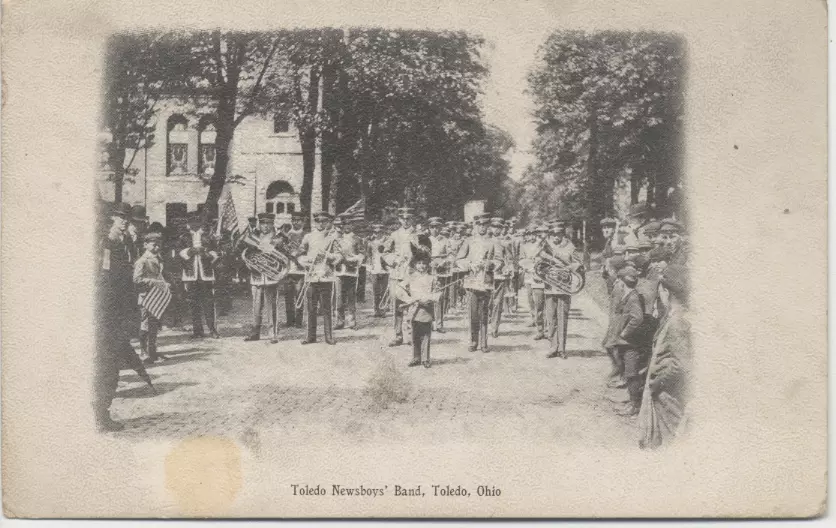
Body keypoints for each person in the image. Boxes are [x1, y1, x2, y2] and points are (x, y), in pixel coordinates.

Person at [639, 264, 691, 449]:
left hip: (666, 395)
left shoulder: (677, 322)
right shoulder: (672, 317)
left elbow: (681, 364)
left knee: (671, 442)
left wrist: (657, 382)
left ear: (666, 292)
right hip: (660, 391)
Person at [95, 202, 135, 431]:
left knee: (113, 362)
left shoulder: (126, 242)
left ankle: (104, 411)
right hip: (105, 310)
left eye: (127, 219)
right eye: (121, 219)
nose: (125, 223)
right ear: (112, 219)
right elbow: (104, 277)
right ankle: (99, 413)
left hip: (120, 309)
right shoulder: (105, 242)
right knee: (104, 363)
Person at [392, 237, 441, 368]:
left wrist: (429, 298)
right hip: (413, 310)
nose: (422, 266)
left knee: (426, 335)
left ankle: (425, 358)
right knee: (414, 334)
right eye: (419, 263)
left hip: (426, 310)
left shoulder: (432, 278)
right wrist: (408, 299)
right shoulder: (410, 277)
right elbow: (399, 289)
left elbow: (438, 293)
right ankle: (416, 357)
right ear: (414, 264)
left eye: (424, 263)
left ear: (428, 264)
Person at [605, 264, 646, 416]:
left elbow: (638, 318)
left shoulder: (633, 297)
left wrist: (625, 333)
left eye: (618, 281)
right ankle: (631, 401)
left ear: (622, 282)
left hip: (630, 342)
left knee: (631, 373)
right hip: (625, 342)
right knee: (628, 371)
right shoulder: (628, 295)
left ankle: (635, 406)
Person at [456, 214, 499, 353]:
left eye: (484, 225)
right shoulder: (468, 241)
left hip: (486, 281)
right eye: (479, 225)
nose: (482, 227)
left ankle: (484, 342)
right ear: (475, 226)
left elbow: (500, 260)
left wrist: (490, 263)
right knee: (473, 313)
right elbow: (459, 259)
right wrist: (469, 265)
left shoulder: (494, 241)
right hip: (472, 281)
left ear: (488, 226)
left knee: (485, 312)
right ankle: (473, 341)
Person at [297, 211, 339, 345]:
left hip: (326, 276)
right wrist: (304, 261)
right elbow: (299, 253)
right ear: (315, 222)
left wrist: (328, 255)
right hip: (311, 276)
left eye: (324, 221)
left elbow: (339, 256)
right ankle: (311, 336)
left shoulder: (333, 238)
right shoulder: (308, 237)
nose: (321, 224)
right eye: (318, 221)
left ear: (328, 222)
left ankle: (329, 336)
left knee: (326, 308)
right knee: (310, 308)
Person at [542, 223, 583, 359]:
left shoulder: (570, 247)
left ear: (562, 234)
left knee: (562, 318)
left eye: (558, 234)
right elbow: (539, 263)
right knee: (551, 318)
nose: (555, 237)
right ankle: (553, 347)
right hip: (549, 286)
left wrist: (568, 268)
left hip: (564, 287)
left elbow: (579, 263)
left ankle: (562, 349)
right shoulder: (546, 246)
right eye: (553, 234)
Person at [177, 212, 220, 339]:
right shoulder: (183, 237)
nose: (194, 225)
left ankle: (212, 329)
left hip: (205, 275)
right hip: (190, 275)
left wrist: (207, 254)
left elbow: (217, 252)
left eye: (197, 222)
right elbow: (178, 253)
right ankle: (197, 331)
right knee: (193, 303)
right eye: (192, 223)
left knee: (208, 303)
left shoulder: (208, 237)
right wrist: (190, 251)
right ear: (188, 224)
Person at [243, 213, 284, 343]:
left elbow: (284, 256)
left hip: (272, 276)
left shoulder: (278, 238)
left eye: (268, 224)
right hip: (256, 276)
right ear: (259, 224)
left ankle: (273, 333)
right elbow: (245, 254)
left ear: (272, 224)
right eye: (262, 224)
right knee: (256, 306)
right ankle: (255, 333)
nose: (265, 226)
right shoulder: (252, 237)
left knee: (271, 306)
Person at [382, 207, 419, 347]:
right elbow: (385, 253)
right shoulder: (394, 235)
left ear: (412, 219)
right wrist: (394, 260)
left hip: (413, 273)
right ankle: (398, 335)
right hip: (398, 274)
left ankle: (411, 336)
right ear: (399, 219)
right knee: (397, 305)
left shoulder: (419, 234)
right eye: (403, 218)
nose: (405, 221)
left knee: (412, 304)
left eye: (408, 218)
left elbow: (426, 253)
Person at [133, 232, 170, 364]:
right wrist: (153, 282)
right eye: (154, 245)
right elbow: (136, 279)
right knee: (146, 324)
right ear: (145, 245)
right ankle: (144, 352)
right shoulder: (142, 261)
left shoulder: (159, 258)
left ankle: (153, 352)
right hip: (146, 297)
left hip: (157, 297)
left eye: (159, 245)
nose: (157, 248)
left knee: (154, 325)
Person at [333, 216, 365, 330]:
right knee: (339, 298)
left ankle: (351, 322)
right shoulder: (337, 239)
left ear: (352, 226)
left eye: (349, 225)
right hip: (339, 270)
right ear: (342, 226)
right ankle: (339, 321)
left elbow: (362, 253)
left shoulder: (357, 239)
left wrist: (355, 258)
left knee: (351, 297)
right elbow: (334, 252)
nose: (347, 227)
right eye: (345, 225)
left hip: (351, 271)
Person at [519, 224, 547, 339]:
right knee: (530, 299)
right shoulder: (524, 246)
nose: (531, 236)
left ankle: (542, 326)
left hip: (540, 275)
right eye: (529, 234)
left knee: (540, 301)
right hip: (528, 274)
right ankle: (533, 318)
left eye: (533, 234)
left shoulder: (541, 244)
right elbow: (521, 259)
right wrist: (527, 266)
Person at [282, 212, 306, 328]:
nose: (296, 222)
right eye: (294, 220)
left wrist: (297, 254)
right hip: (288, 270)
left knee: (299, 295)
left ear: (303, 222)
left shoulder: (306, 235)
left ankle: (298, 321)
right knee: (288, 296)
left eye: (299, 220)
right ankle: (289, 320)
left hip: (300, 270)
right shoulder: (286, 235)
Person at [427, 217, 450, 332]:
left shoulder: (445, 240)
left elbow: (451, 255)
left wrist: (443, 262)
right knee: (428, 297)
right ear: (429, 228)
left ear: (440, 228)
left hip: (440, 271)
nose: (434, 229)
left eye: (437, 227)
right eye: (432, 227)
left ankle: (440, 324)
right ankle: (429, 323)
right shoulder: (425, 240)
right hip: (428, 271)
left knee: (439, 297)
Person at [487, 217, 508, 338]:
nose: (496, 230)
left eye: (499, 227)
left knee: (497, 302)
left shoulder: (505, 241)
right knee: (487, 302)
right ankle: (486, 324)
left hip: (499, 276)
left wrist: (507, 268)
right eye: (494, 227)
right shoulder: (486, 240)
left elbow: (510, 258)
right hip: (487, 275)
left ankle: (494, 328)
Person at [367, 223, 390, 317]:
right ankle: (376, 310)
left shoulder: (387, 242)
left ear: (383, 232)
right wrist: (369, 267)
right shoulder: (370, 243)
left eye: (380, 232)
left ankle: (383, 309)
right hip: (375, 269)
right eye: (375, 232)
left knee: (384, 291)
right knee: (376, 290)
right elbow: (368, 255)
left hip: (385, 269)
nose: (377, 234)